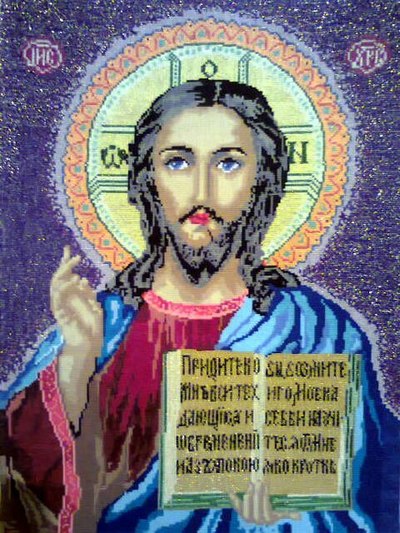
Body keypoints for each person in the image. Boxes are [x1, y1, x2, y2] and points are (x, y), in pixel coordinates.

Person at [2, 80, 398, 532]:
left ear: (261, 181)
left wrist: (286, 519)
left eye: (228, 163)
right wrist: (76, 363)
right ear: (147, 180)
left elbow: (374, 489)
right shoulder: (98, 325)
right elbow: (19, 487)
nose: (202, 190)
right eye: (178, 161)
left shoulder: (318, 332)